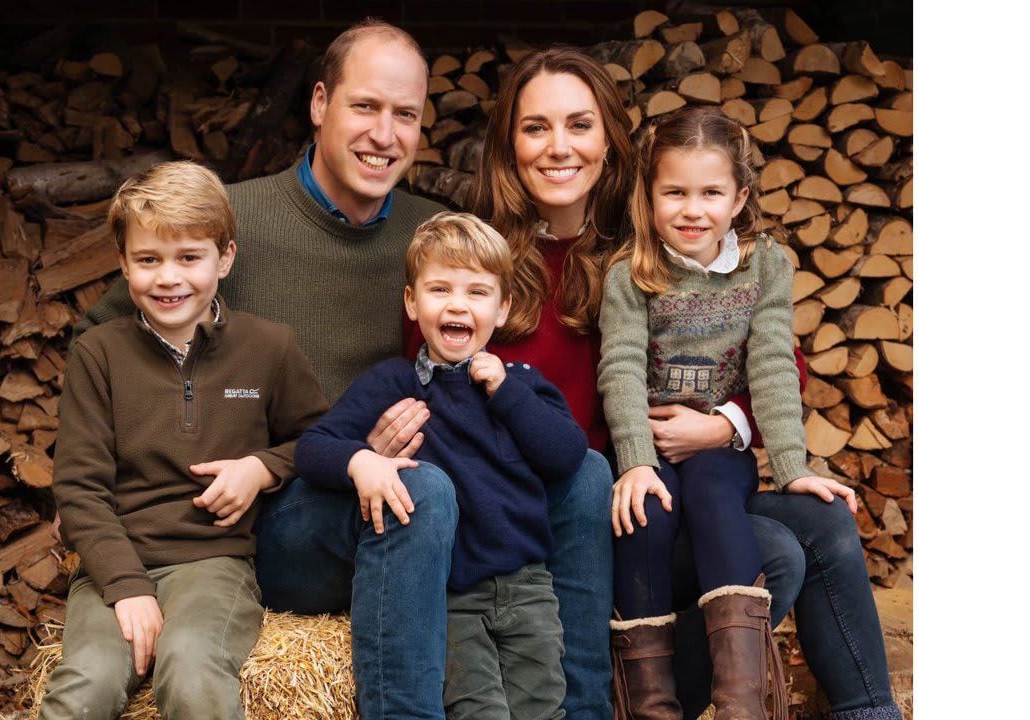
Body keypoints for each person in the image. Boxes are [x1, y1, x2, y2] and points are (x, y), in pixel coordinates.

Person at [74, 21, 611, 720]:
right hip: (282, 519)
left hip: (414, 499)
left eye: (405, 115)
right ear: (320, 102)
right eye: (365, 107)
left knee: (585, 475)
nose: (384, 134)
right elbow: (105, 339)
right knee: (425, 493)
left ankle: (586, 708)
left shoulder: (433, 234)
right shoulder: (233, 223)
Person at [400, 47, 807, 719]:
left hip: (644, 503)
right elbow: (430, 377)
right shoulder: (473, 261)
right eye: (536, 128)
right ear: (509, 144)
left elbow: (778, 363)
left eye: (579, 125)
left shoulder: (657, 239)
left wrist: (723, 424)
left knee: (788, 548)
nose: (559, 147)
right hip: (532, 519)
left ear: (610, 141)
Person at [597, 106, 863, 719]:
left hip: (721, 451)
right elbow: (620, 367)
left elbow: (771, 363)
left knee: (718, 495)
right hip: (649, 449)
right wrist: (635, 461)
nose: (693, 210)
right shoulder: (631, 273)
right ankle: (649, 705)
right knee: (645, 515)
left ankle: (740, 702)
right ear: (649, 194)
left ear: (740, 197)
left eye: (711, 192)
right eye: (675, 192)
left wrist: (791, 466)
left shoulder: (765, 266)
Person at [41, 161, 328, 719]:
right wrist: (127, 587)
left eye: (188, 257)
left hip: (214, 564)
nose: (168, 278)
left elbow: (318, 437)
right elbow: (77, 489)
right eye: (148, 260)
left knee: (192, 666)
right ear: (123, 264)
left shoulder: (269, 347)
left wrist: (263, 467)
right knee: (85, 684)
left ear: (225, 258)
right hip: (112, 564)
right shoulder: (98, 353)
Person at [298, 212, 585, 719]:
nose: (458, 304)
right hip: (453, 595)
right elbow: (314, 447)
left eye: (477, 292)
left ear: (503, 309)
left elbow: (566, 457)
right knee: (479, 711)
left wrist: (505, 391)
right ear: (412, 303)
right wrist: (361, 460)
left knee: (543, 708)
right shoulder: (393, 384)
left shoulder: (522, 384)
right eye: (440, 290)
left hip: (529, 589)